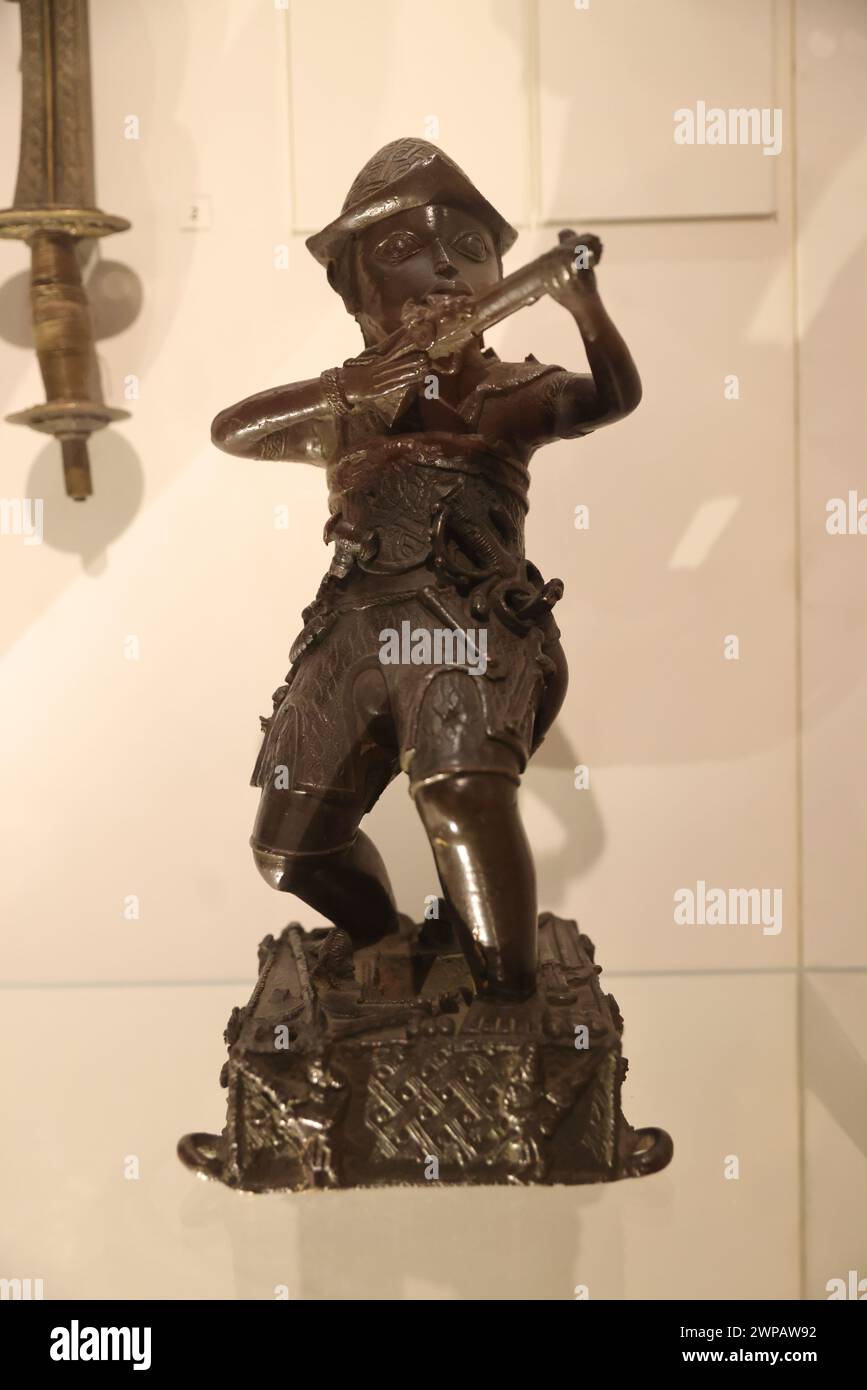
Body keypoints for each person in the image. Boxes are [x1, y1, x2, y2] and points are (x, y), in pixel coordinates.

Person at [211, 138, 641, 1001]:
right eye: (403, 251)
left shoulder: (506, 390)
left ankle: (507, 1006)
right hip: (350, 629)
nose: (444, 266)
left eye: (470, 250)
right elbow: (234, 428)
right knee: (290, 851)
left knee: (460, 794)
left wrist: (585, 305)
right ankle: (387, 941)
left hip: (463, 621)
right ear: (353, 288)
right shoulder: (345, 399)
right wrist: (383, 380)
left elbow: (611, 397)